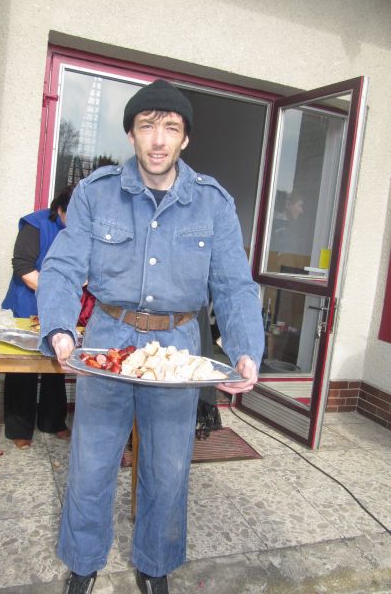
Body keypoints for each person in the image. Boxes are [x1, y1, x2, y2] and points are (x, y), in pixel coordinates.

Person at [36, 79, 264, 594]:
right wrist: (60, 329)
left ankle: (154, 564)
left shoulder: (213, 203)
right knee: (92, 463)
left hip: (177, 350)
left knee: (167, 468)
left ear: (185, 138)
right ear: (131, 134)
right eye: (147, 126)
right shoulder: (96, 193)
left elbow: (233, 285)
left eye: (171, 128)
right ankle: (83, 562)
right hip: (108, 342)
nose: (158, 139)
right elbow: (63, 267)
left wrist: (246, 350)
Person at [1, 186, 74, 449]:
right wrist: (54, 290)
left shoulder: (83, 230)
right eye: (73, 214)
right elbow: (22, 266)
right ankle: (19, 427)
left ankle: (53, 421)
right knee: (23, 365)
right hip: (28, 301)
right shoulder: (36, 225)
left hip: (62, 304)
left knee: (57, 360)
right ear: (59, 209)